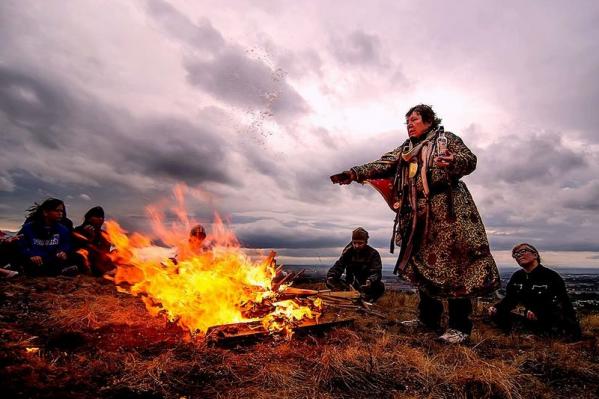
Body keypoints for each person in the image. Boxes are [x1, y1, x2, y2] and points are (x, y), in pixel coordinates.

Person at [331, 104, 500, 343]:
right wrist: (354, 173)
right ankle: (428, 320)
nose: (410, 124)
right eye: (407, 121)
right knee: (422, 264)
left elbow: (469, 160)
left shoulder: (446, 139)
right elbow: (383, 163)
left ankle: (459, 327)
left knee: (456, 265)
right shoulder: (405, 149)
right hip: (418, 215)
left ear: (429, 121)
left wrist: (453, 160)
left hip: (450, 213)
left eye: (415, 119)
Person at [488, 243, 581, 341]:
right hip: (526, 316)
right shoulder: (517, 277)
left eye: (523, 251)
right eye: (515, 255)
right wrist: (496, 308)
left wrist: (539, 312)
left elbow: (563, 304)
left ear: (535, 255)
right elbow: (510, 300)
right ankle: (525, 332)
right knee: (498, 313)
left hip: (547, 317)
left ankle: (540, 333)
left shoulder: (551, 276)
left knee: (553, 321)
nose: (519, 255)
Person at [17, 198, 75, 276]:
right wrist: (31, 254)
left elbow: (66, 243)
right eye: (57, 211)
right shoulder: (29, 228)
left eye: (62, 211)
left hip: (52, 260)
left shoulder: (63, 229)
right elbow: (21, 244)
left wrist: (62, 252)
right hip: (35, 260)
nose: (60, 213)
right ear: (45, 212)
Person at [326, 227, 385, 302]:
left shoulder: (373, 253)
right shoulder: (348, 252)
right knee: (330, 280)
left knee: (380, 286)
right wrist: (331, 277)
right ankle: (346, 294)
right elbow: (338, 267)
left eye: (360, 243)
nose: (356, 246)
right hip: (349, 285)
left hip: (365, 285)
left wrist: (370, 281)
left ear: (365, 242)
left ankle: (367, 298)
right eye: (354, 243)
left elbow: (376, 272)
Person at [73, 206, 114, 275]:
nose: (101, 219)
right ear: (89, 218)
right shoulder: (78, 231)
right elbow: (78, 249)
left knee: (116, 253)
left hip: (100, 262)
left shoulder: (104, 234)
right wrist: (90, 238)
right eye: (97, 216)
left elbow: (105, 251)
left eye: (102, 217)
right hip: (85, 261)